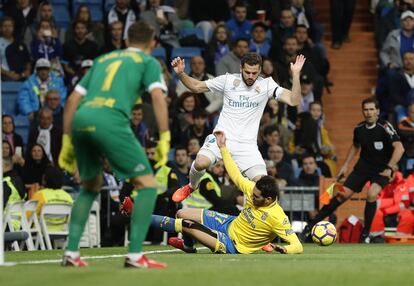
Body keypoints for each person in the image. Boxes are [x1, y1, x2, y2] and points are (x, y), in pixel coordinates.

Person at [58, 21, 170, 268]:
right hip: (110, 120)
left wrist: (66, 138)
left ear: (127, 41)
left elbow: (72, 99)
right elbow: (158, 97)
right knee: (149, 185)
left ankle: (71, 253)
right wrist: (164, 135)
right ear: (152, 43)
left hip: (81, 118)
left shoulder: (102, 59)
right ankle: (135, 256)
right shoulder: (148, 62)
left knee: (90, 185)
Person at [123, 131, 303, 254]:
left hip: (232, 244)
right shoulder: (252, 189)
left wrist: (285, 249)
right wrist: (223, 148)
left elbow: (297, 245)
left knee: (186, 224)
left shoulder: (277, 216)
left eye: (256, 197)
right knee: (181, 213)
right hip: (230, 224)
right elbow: (235, 173)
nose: (252, 196)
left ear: (269, 199)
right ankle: (188, 245)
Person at [171, 52, 305, 203]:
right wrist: (181, 73)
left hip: (247, 146)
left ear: (260, 70)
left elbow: (294, 101)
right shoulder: (228, 80)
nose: (250, 76)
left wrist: (296, 75)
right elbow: (196, 86)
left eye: (254, 73)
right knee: (201, 163)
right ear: (241, 68)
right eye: (247, 72)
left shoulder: (267, 84)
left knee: (263, 185)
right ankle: (192, 186)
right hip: (221, 138)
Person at [300, 97, 405, 243]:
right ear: (363, 111)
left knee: (371, 194)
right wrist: (345, 166)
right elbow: (356, 146)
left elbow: (399, 148)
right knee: (341, 195)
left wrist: (389, 167)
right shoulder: (359, 128)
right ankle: (309, 227)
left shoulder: (385, 126)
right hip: (362, 168)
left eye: (371, 109)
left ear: (378, 111)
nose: (368, 113)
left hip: (382, 169)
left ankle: (365, 234)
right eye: (366, 110)